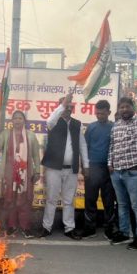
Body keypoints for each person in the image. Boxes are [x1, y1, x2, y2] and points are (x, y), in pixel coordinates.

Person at [39, 94, 89, 239]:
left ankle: (69, 228)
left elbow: (82, 145)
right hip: (54, 168)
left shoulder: (77, 124)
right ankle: (46, 227)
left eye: (69, 106)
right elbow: (49, 120)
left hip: (71, 169)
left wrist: (86, 165)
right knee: (51, 199)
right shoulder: (53, 121)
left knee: (69, 200)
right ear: (59, 107)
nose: (68, 108)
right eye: (65, 105)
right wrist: (62, 105)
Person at [107, 97, 137, 249]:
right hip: (116, 171)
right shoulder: (116, 125)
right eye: (122, 107)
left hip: (133, 171)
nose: (124, 110)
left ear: (133, 108)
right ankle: (124, 233)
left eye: (127, 107)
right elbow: (112, 146)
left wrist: (135, 98)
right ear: (118, 110)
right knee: (122, 205)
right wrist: (110, 164)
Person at [0, 110, 41, 238]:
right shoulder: (6, 134)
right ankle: (12, 226)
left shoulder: (30, 135)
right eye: (15, 118)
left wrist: (37, 171)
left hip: (26, 174)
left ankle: (25, 227)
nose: (18, 120)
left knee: (25, 201)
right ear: (11, 121)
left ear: (24, 121)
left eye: (20, 118)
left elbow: (36, 155)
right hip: (9, 173)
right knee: (10, 200)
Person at [82, 100, 116, 239]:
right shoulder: (91, 127)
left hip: (108, 169)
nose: (99, 115)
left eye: (102, 113)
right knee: (90, 199)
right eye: (97, 113)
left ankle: (109, 229)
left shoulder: (114, 127)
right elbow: (84, 148)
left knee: (108, 200)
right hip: (92, 167)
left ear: (109, 112)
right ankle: (90, 228)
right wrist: (84, 167)